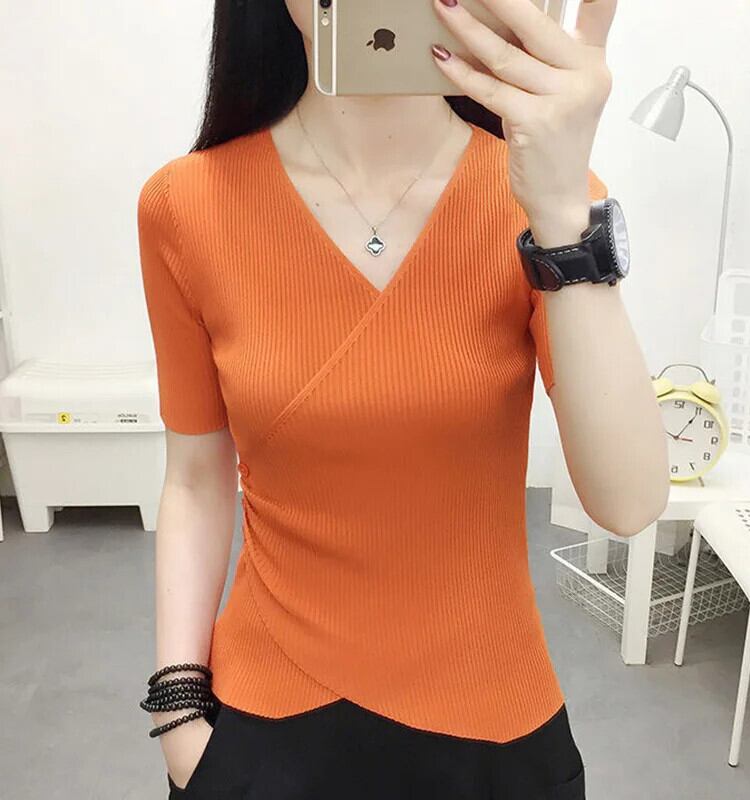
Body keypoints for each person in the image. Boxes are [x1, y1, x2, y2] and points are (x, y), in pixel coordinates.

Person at [136, 1, 669, 798]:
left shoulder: (542, 202)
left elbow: (628, 503)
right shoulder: (186, 206)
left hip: (492, 725)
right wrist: (179, 710)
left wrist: (563, 210)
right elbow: (193, 479)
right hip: (263, 723)